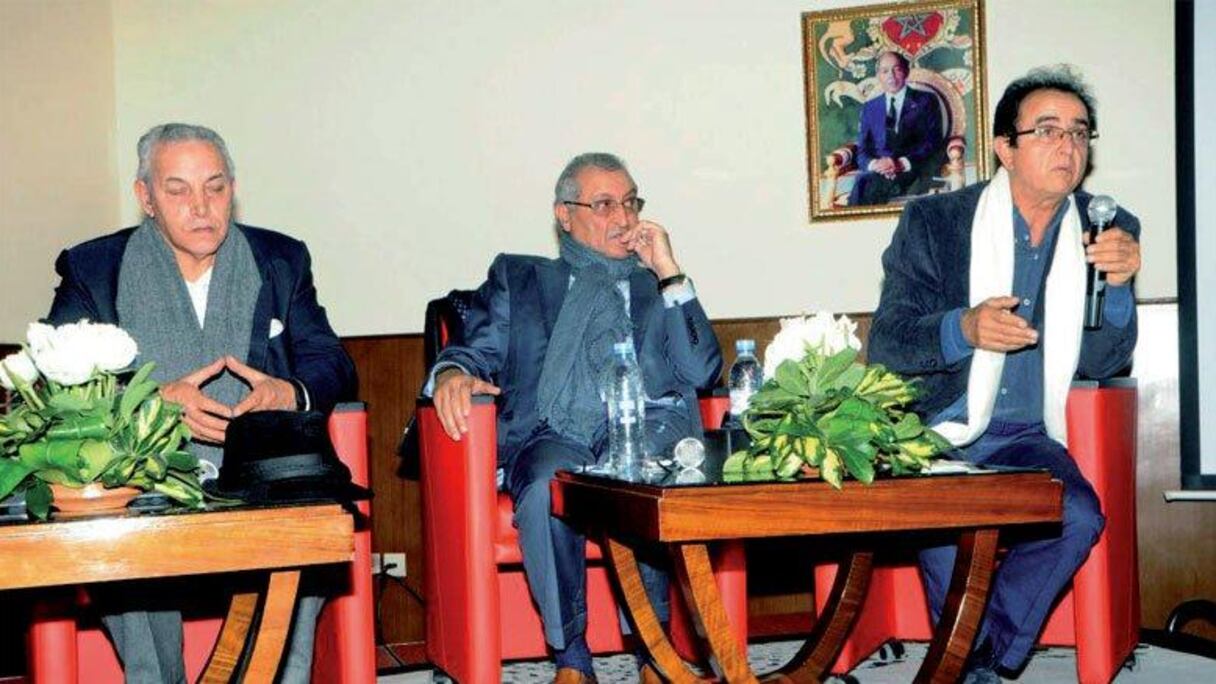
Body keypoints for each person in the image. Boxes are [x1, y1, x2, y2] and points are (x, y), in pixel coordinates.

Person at [46, 122, 357, 684]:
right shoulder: (94, 268)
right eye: (178, 190)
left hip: (257, 478)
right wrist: (151, 403)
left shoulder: (280, 259)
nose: (201, 207)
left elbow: (329, 360)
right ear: (146, 197)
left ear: (232, 189)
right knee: (115, 530)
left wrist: (287, 392)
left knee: (307, 519)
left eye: (215, 187)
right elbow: (56, 384)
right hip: (145, 481)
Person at [868, 65, 1141, 683]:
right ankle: (974, 667)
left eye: (1079, 132)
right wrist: (963, 329)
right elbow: (887, 343)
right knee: (946, 534)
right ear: (1004, 148)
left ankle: (981, 653)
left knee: (1079, 518)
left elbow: (1103, 362)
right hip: (938, 431)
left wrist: (1120, 287)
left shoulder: (1105, 228)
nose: (1067, 145)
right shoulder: (936, 222)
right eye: (1047, 130)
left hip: (1027, 436)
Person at [427, 152, 722, 683]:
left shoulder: (654, 287)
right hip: (553, 431)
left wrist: (669, 270)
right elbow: (473, 351)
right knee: (546, 483)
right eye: (605, 205)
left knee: (638, 474)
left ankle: (654, 653)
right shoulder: (522, 277)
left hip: (644, 430)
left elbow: (702, 370)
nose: (624, 218)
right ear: (565, 215)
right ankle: (572, 660)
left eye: (631, 203)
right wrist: (452, 372)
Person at [848, 50, 946, 206]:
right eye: (885, 71)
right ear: (878, 76)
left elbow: (932, 142)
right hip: (878, 173)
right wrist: (876, 165)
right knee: (864, 183)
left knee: (865, 187)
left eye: (896, 69)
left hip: (913, 170)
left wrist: (901, 163)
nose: (891, 76)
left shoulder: (926, 101)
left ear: (906, 71)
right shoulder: (870, 107)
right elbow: (862, 150)